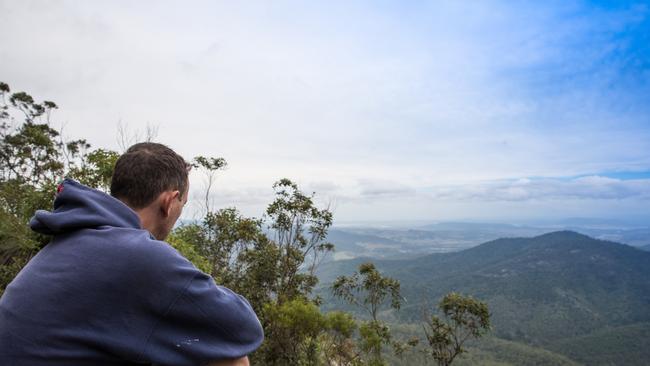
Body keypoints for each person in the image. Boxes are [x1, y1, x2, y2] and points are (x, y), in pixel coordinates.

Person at [0, 142, 263, 366]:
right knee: (231, 358)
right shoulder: (135, 254)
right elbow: (242, 329)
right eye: (183, 203)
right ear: (170, 203)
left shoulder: (75, 238)